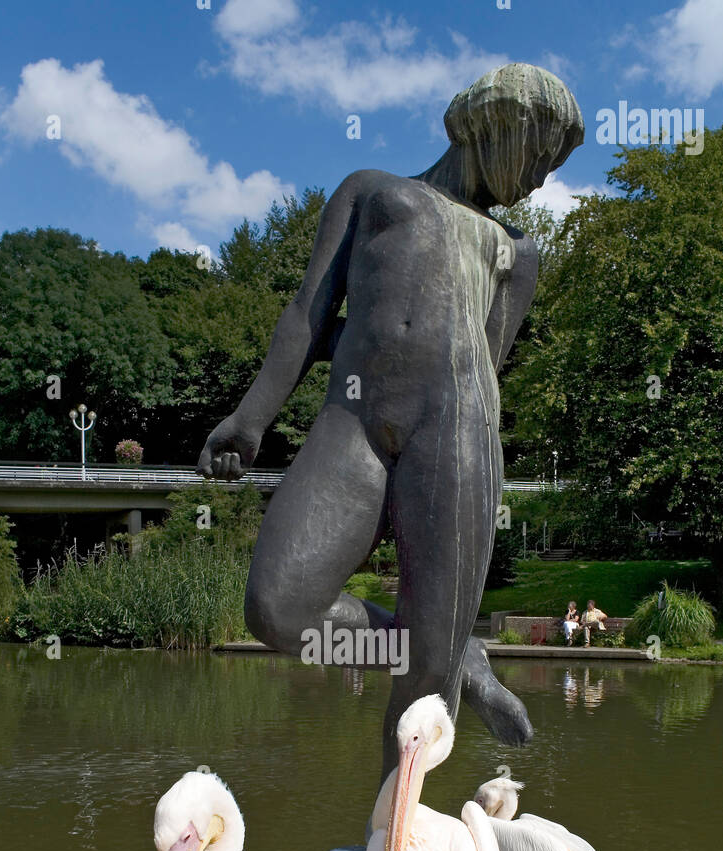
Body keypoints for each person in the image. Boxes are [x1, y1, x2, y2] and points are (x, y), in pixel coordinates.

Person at [198, 64, 585, 782]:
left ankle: (392, 849)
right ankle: (443, 648)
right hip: (355, 421)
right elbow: (307, 315)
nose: (537, 181)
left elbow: (489, 361)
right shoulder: (374, 192)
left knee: (424, 687)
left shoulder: (516, 250)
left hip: (457, 431)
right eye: (537, 157)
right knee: (278, 611)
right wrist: (250, 418)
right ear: (495, 125)